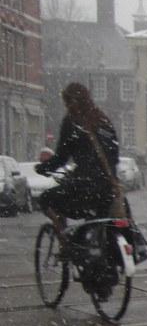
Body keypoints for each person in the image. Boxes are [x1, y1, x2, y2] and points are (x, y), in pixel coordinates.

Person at [35, 82, 119, 243]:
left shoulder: (72, 122)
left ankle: (63, 236)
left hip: (83, 186)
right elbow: (114, 156)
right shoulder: (103, 119)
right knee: (98, 222)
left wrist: (43, 168)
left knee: (46, 199)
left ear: (68, 101)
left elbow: (61, 157)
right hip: (108, 187)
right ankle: (97, 248)